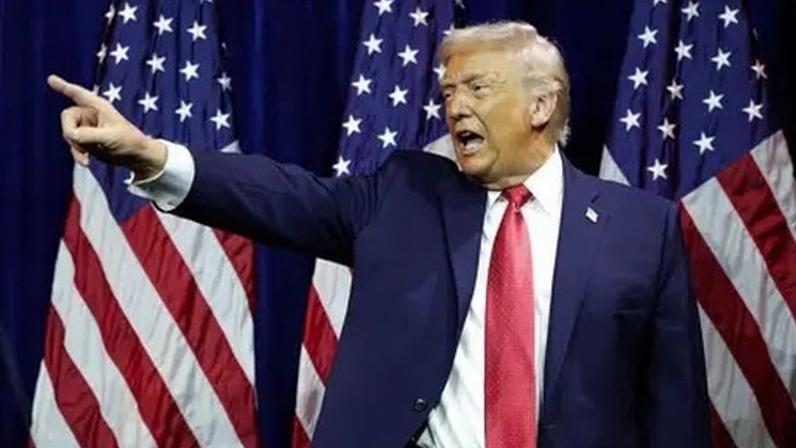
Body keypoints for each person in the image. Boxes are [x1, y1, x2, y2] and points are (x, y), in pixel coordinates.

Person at [49, 21, 710, 448]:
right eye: (448, 92)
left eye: (477, 87)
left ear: (541, 105)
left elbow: (674, 408)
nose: (455, 106)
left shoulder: (642, 228)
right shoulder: (404, 194)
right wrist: (148, 155)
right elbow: (282, 196)